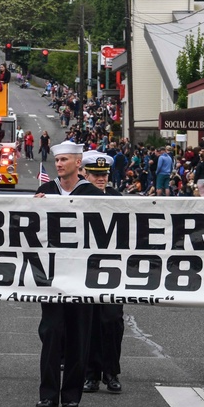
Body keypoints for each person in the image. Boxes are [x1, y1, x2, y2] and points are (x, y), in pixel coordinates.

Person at [33, 142, 103, 407]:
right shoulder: (45, 191)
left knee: (78, 333)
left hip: (83, 275)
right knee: (51, 332)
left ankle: (72, 392)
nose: (59, 164)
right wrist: (32, 209)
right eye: (57, 160)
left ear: (78, 163)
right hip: (52, 276)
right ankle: (48, 394)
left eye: (64, 160)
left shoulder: (92, 195)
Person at [80, 151, 125, 394]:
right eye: (95, 175)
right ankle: (90, 374)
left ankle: (111, 372)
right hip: (84, 269)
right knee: (88, 323)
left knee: (112, 321)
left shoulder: (117, 198)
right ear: (84, 174)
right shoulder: (76, 198)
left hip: (112, 270)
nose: (101, 179)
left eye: (104, 175)